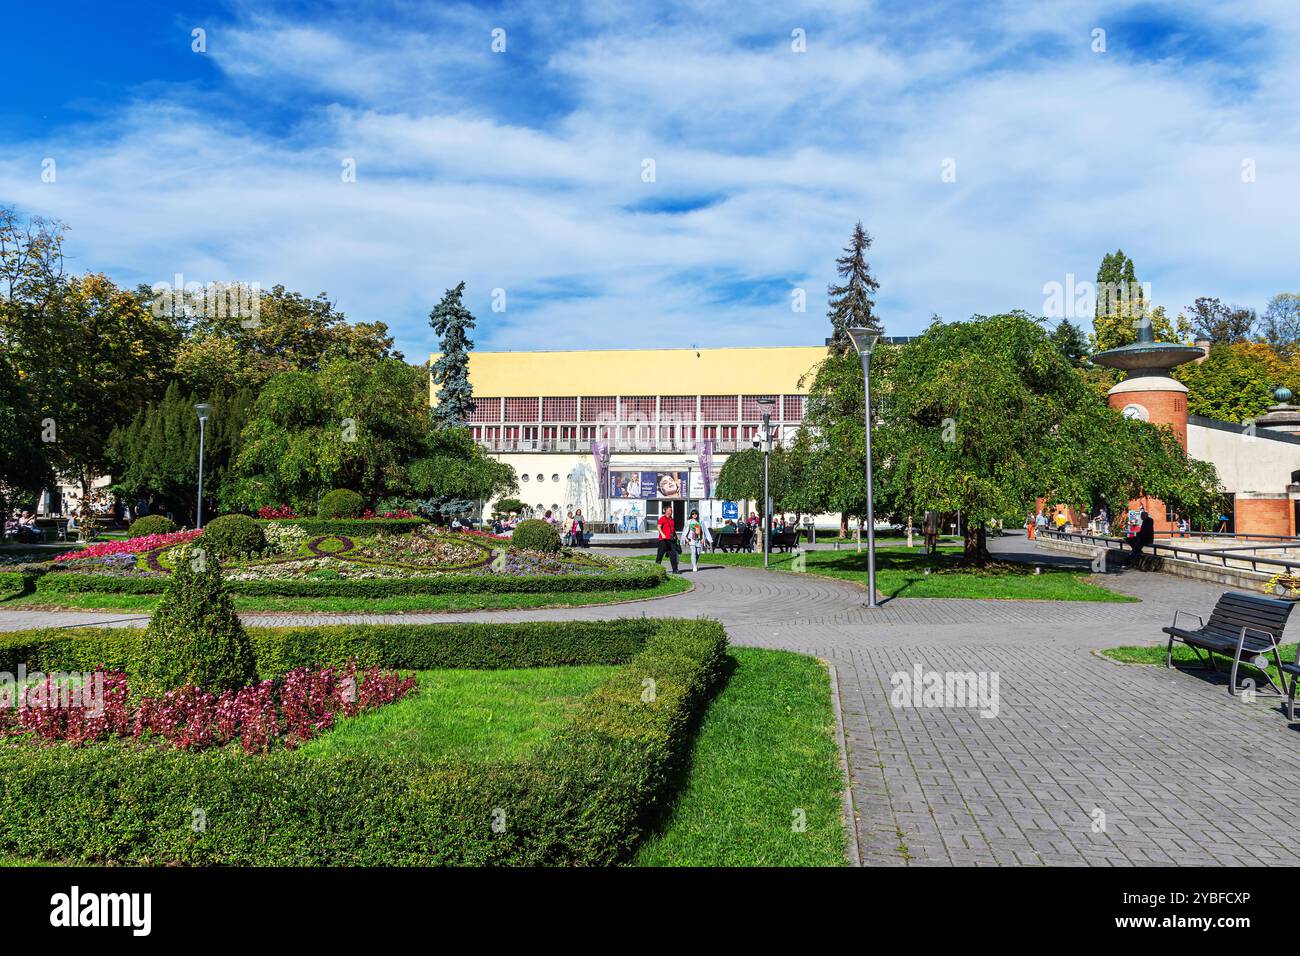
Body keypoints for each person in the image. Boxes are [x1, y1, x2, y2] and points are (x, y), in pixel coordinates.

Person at [656, 507, 680, 573]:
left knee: (673, 555)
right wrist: (662, 534)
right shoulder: (662, 518)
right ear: (665, 511)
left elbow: (672, 529)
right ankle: (656, 569)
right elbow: (658, 527)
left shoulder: (671, 519)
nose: (671, 511)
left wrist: (675, 537)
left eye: (671, 510)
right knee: (660, 555)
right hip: (663, 541)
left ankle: (675, 570)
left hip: (671, 540)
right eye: (669, 510)